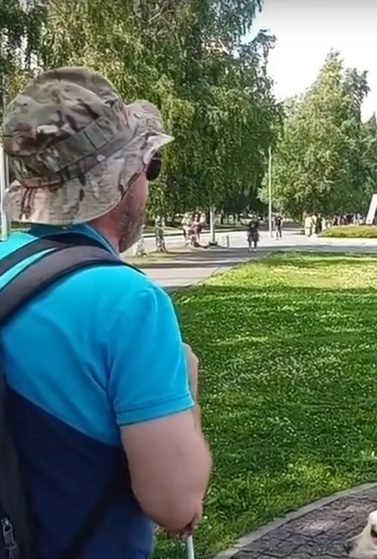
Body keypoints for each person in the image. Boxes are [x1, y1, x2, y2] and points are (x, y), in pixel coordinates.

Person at [0, 66, 212, 557]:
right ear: (122, 180)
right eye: (148, 166)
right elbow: (177, 505)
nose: (148, 183)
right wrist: (186, 381)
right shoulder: (130, 304)